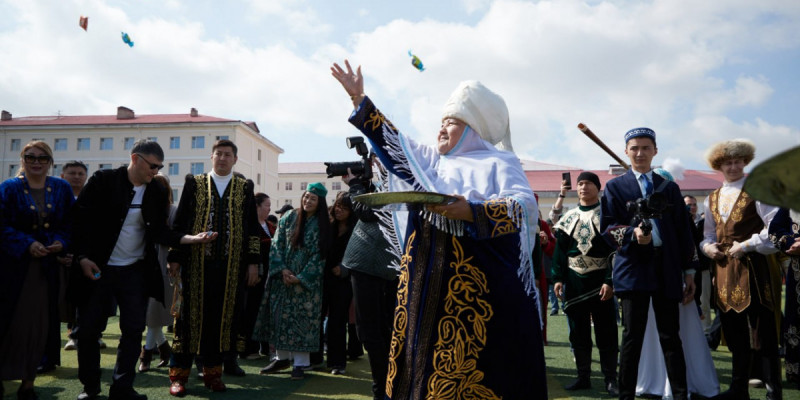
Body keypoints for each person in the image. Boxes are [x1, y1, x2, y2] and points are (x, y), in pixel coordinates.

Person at [332, 60, 547, 399]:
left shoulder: (500, 163)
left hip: (477, 294)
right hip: (421, 288)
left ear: (474, 129)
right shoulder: (431, 162)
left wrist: (471, 210)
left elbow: (522, 207)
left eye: (453, 122)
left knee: (479, 369)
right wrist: (360, 100)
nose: (442, 128)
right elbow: (395, 145)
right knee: (420, 368)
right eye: (442, 121)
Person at [71, 139, 214, 400]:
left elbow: (160, 231)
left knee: (134, 330)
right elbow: (79, 221)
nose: (156, 172)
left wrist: (191, 239)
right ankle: (90, 389)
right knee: (90, 331)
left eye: (160, 167)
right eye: (152, 166)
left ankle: (122, 388)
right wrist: (81, 257)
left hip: (133, 272)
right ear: (135, 159)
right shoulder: (103, 180)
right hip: (97, 269)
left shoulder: (156, 192)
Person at [600, 127, 696, 400]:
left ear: (655, 151)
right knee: (632, 337)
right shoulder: (615, 187)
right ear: (626, 152)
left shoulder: (669, 188)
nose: (640, 153)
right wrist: (632, 235)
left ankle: (680, 394)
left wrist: (689, 270)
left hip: (666, 268)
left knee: (670, 336)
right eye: (634, 148)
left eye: (645, 147)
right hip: (632, 268)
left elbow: (683, 231)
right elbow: (606, 229)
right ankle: (626, 395)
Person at [166, 139, 261, 396]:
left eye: (227, 154)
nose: (222, 158)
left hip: (231, 269)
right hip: (196, 265)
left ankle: (213, 374)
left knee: (220, 322)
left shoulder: (244, 187)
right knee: (187, 320)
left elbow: (253, 228)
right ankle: (179, 376)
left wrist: (253, 263)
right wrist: (175, 256)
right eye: (218, 154)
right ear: (211, 157)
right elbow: (181, 221)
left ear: (235, 159)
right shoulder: (194, 183)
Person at [700, 139, 781, 400]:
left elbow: (774, 230)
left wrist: (746, 245)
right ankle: (738, 389)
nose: (733, 166)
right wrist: (707, 248)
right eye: (728, 163)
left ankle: (773, 392)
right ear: (719, 166)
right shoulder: (711, 198)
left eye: (737, 162)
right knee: (733, 332)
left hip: (755, 268)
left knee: (764, 332)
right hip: (724, 270)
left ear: (745, 163)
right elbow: (708, 234)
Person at [635, 169, 719, 399]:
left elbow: (687, 240)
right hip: (645, 277)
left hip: (674, 278)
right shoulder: (638, 204)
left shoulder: (676, 209)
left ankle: (681, 382)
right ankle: (653, 378)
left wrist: (689, 272)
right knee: (650, 330)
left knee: (677, 333)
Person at [0, 140, 74, 400]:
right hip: (12, 270)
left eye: (42, 158)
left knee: (39, 325)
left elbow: (70, 225)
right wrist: (27, 243)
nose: (36, 162)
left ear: (50, 162)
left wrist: (60, 243)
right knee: (9, 323)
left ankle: (28, 383)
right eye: (31, 157)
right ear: (22, 159)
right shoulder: (8, 188)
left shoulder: (62, 188)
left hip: (45, 270)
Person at [552, 171, 619, 396]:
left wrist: (610, 280)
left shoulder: (608, 216)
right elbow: (560, 252)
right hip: (574, 282)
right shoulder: (568, 217)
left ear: (598, 188)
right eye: (580, 184)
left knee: (606, 332)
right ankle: (583, 377)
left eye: (589, 183)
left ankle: (611, 379)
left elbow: (615, 252)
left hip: (601, 281)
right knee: (578, 333)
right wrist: (558, 278)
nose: (583, 187)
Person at [255, 182, 331, 380]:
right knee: (280, 318)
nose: (308, 201)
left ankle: (300, 364)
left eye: (313, 198)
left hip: (305, 285)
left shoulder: (323, 225)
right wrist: (283, 270)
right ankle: (281, 358)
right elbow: (276, 244)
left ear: (320, 202)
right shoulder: (289, 217)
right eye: (306, 196)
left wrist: (301, 277)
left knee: (302, 322)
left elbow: (319, 257)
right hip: (283, 279)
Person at [340, 156, 401, 400]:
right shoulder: (396, 180)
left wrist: (355, 186)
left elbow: (366, 212)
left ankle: (383, 391)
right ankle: (390, 386)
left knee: (372, 331)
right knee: (383, 329)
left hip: (370, 263)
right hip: (382, 263)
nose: (373, 164)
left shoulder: (394, 181)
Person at [137, 174, 177, 372]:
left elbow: (176, 240)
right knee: (150, 316)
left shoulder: (172, 211)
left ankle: (146, 355)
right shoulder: (140, 210)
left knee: (153, 315)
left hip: (164, 269)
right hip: (140, 266)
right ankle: (164, 350)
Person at [321, 191, 357, 374]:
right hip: (323, 278)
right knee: (318, 317)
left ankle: (337, 363)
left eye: (344, 207)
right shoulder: (329, 226)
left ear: (351, 210)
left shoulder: (356, 229)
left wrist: (344, 268)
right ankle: (314, 358)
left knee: (337, 321)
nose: (339, 210)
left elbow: (358, 256)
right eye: (337, 206)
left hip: (343, 282)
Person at [239, 192, 275, 360]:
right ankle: (248, 349)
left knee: (266, 312)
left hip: (270, 277)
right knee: (251, 311)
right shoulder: (248, 225)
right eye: (266, 205)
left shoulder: (270, 226)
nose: (269, 209)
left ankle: (266, 347)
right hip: (254, 277)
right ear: (257, 206)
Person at [769, 208, 800, 389]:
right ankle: (796, 372)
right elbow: (774, 230)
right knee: (796, 320)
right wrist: (790, 243)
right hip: (797, 272)